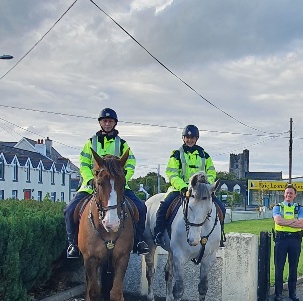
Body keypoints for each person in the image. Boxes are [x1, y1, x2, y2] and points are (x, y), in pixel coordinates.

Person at [64, 108, 148, 258]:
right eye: (105, 121)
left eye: (110, 121)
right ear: (100, 123)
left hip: (117, 185)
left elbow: (130, 163)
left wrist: (122, 179)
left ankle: (138, 241)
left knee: (141, 208)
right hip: (92, 185)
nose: (107, 123)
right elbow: (83, 163)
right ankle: (73, 244)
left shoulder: (122, 144)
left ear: (115, 123)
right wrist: (90, 179)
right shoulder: (90, 143)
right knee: (70, 210)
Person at [153, 124, 222, 247]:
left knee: (221, 207)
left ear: (196, 139)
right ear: (183, 138)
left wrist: (206, 185)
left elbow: (211, 172)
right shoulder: (176, 154)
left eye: (192, 138)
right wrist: (184, 187)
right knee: (164, 207)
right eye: (187, 138)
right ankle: (158, 234)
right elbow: (172, 173)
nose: (190, 140)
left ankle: (220, 235)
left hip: (201, 190)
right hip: (180, 188)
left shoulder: (204, 155)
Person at [272, 184, 303, 301]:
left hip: (295, 240)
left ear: (295, 195)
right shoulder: (278, 207)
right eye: (287, 193)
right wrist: (293, 221)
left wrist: (286, 221)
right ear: (284, 194)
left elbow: (301, 224)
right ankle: (278, 294)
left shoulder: (299, 208)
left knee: (293, 267)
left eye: (291, 193)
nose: (288, 195)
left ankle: (292, 293)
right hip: (281, 239)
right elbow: (278, 221)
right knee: (279, 267)